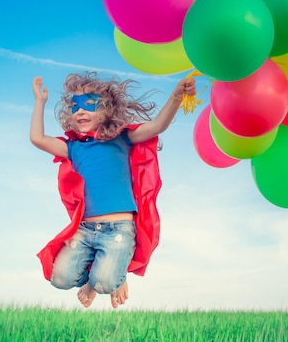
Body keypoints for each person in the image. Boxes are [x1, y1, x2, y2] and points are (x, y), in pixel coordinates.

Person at [30, 71, 197, 309]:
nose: (80, 111)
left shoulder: (123, 139)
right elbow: (37, 138)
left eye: (89, 105)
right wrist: (40, 102)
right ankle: (103, 275)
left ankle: (112, 277)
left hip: (118, 230)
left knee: (106, 283)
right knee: (60, 279)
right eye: (75, 107)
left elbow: (158, 125)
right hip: (84, 231)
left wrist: (177, 95)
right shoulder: (73, 147)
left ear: (107, 110)